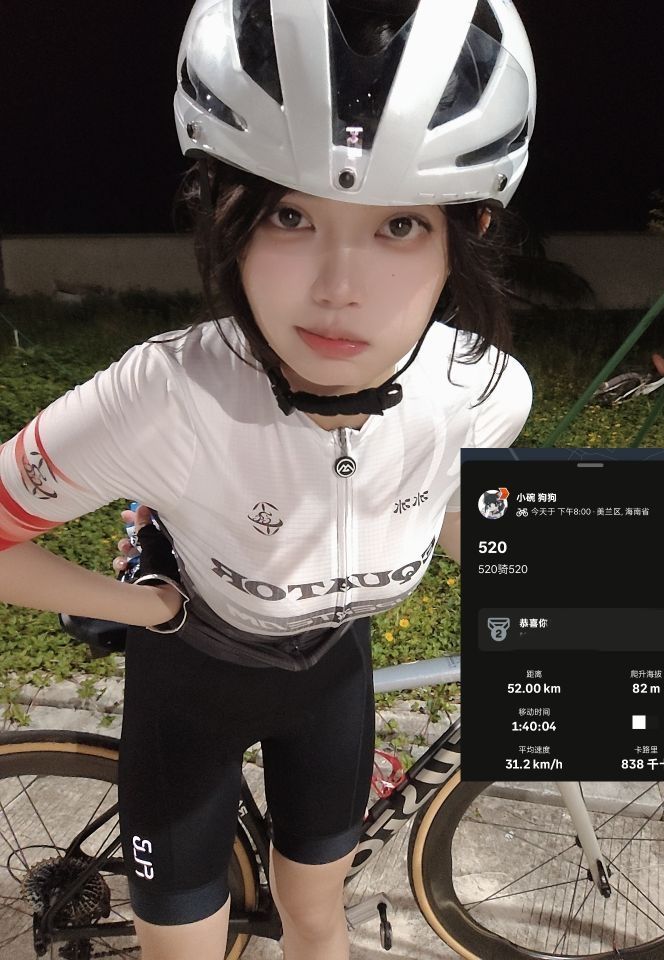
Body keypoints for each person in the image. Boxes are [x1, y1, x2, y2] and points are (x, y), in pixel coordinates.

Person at [0, 1, 535, 957]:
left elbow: (451, 513)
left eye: (400, 224)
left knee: (317, 922)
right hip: (189, 690)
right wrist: (145, 608)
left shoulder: (483, 391)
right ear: (230, 218)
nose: (338, 289)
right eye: (291, 215)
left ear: (466, 232)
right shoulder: (165, 395)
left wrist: (593, 581)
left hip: (331, 685)